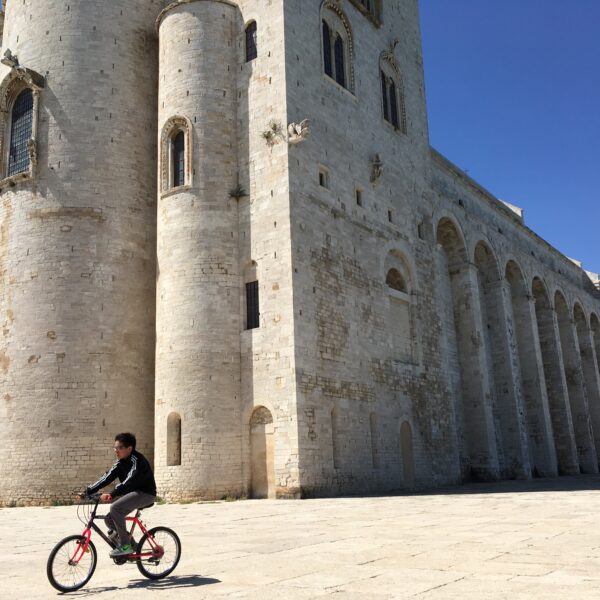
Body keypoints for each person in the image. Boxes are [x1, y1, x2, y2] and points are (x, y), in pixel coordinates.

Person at [82, 432, 157, 557]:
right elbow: (106, 478)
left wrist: (112, 494)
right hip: (133, 494)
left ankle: (125, 546)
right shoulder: (120, 463)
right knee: (109, 519)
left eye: (120, 448)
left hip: (145, 493)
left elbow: (129, 481)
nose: (116, 451)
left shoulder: (137, 461)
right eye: (115, 448)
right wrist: (87, 491)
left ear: (130, 448)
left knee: (115, 508)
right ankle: (132, 544)